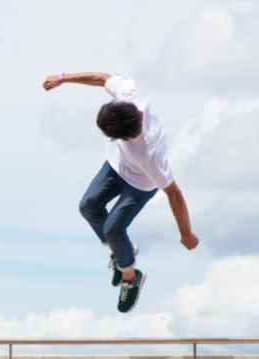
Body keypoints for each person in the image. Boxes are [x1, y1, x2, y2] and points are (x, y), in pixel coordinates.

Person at [42, 72, 199, 312]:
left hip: (140, 184)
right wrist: (63, 78)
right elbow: (102, 78)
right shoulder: (130, 96)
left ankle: (131, 278)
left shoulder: (150, 156)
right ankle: (121, 251)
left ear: (126, 137)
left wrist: (186, 233)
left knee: (113, 230)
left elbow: (174, 194)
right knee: (88, 206)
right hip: (116, 166)